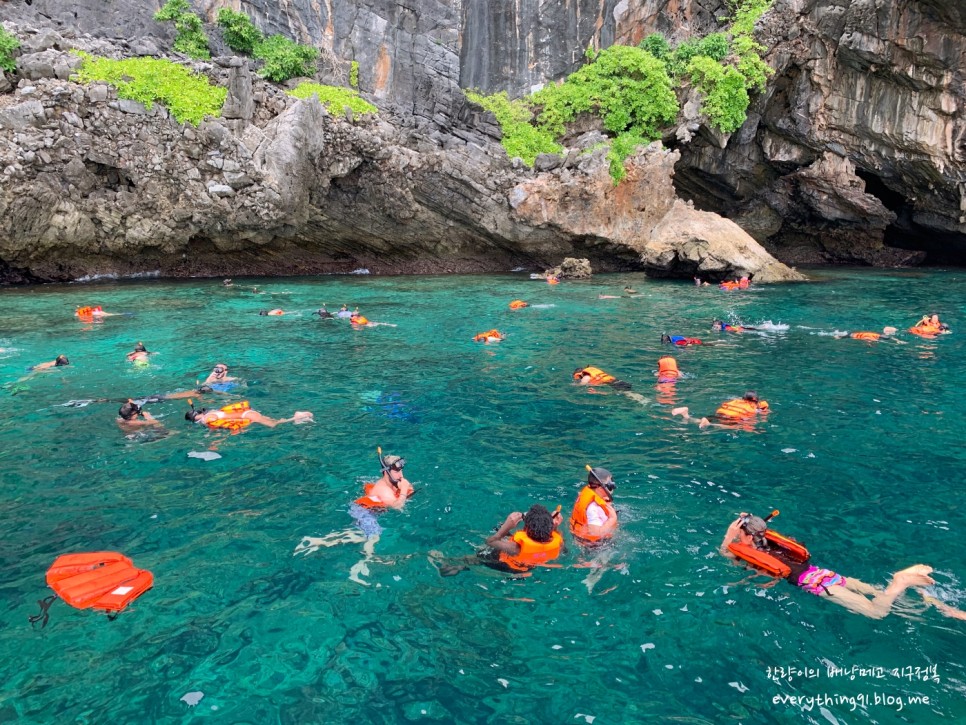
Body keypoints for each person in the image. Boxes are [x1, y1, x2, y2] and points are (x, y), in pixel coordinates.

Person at [720, 512, 966, 620]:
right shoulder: (772, 541)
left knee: (877, 612)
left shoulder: (746, 552)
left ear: (748, 536)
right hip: (823, 574)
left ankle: (900, 581)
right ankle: (946, 608)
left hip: (812, 584)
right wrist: (746, 523)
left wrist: (728, 535)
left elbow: (728, 556)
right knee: (879, 595)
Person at [294, 453, 413, 586]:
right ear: (386, 472)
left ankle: (318, 541)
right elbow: (398, 507)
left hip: (363, 510)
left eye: (401, 470)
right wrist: (403, 491)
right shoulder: (384, 491)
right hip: (366, 513)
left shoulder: (391, 483)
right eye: (396, 471)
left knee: (359, 536)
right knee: (374, 537)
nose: (401, 474)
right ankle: (366, 562)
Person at [430, 504, 565, 576]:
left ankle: (455, 566)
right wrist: (554, 526)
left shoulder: (514, 548)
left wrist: (508, 525)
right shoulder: (558, 541)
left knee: (479, 556)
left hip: (506, 567)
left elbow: (490, 541)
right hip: (528, 567)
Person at [185, 401, 313, 430]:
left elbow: (218, 425)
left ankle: (297, 416)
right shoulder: (210, 412)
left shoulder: (208, 418)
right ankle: (297, 418)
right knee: (273, 421)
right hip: (249, 413)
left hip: (249, 416)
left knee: (273, 424)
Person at [570, 467, 617, 545]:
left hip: (582, 538)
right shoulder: (593, 507)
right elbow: (595, 533)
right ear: (600, 488)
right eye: (610, 484)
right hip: (596, 546)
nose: (613, 487)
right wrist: (612, 519)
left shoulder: (592, 494)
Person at [673, 391, 768, 429]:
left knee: (700, 421)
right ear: (756, 400)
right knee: (735, 427)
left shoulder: (736, 401)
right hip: (731, 417)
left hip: (720, 414)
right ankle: (709, 424)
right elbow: (763, 414)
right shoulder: (756, 407)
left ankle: (686, 415)